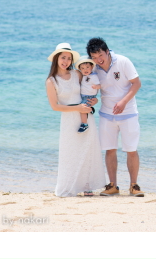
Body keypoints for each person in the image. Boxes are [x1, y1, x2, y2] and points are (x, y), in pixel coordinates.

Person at [45, 42, 106, 197]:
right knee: (70, 152)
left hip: (85, 116)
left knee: (88, 150)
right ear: (56, 58)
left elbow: (88, 90)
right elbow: (55, 106)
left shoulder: (77, 74)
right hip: (69, 119)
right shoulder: (51, 81)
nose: (66, 61)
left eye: (69, 58)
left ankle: (87, 186)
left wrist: (94, 100)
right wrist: (77, 108)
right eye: (63, 57)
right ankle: (69, 186)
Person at [87, 37, 144, 197]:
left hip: (128, 113)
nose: (98, 60)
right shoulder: (94, 67)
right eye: (94, 57)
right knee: (110, 150)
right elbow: (88, 84)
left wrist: (123, 102)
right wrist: (92, 99)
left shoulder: (123, 61)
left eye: (100, 55)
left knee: (131, 150)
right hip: (106, 114)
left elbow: (137, 83)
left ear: (107, 51)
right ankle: (112, 186)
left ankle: (134, 186)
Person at [74, 57, 101, 134]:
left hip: (89, 96)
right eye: (82, 68)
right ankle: (89, 112)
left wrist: (96, 87)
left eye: (87, 67)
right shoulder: (84, 76)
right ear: (80, 69)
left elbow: (100, 85)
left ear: (92, 67)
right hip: (83, 95)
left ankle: (84, 124)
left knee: (83, 109)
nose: (85, 69)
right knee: (83, 108)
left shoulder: (93, 76)